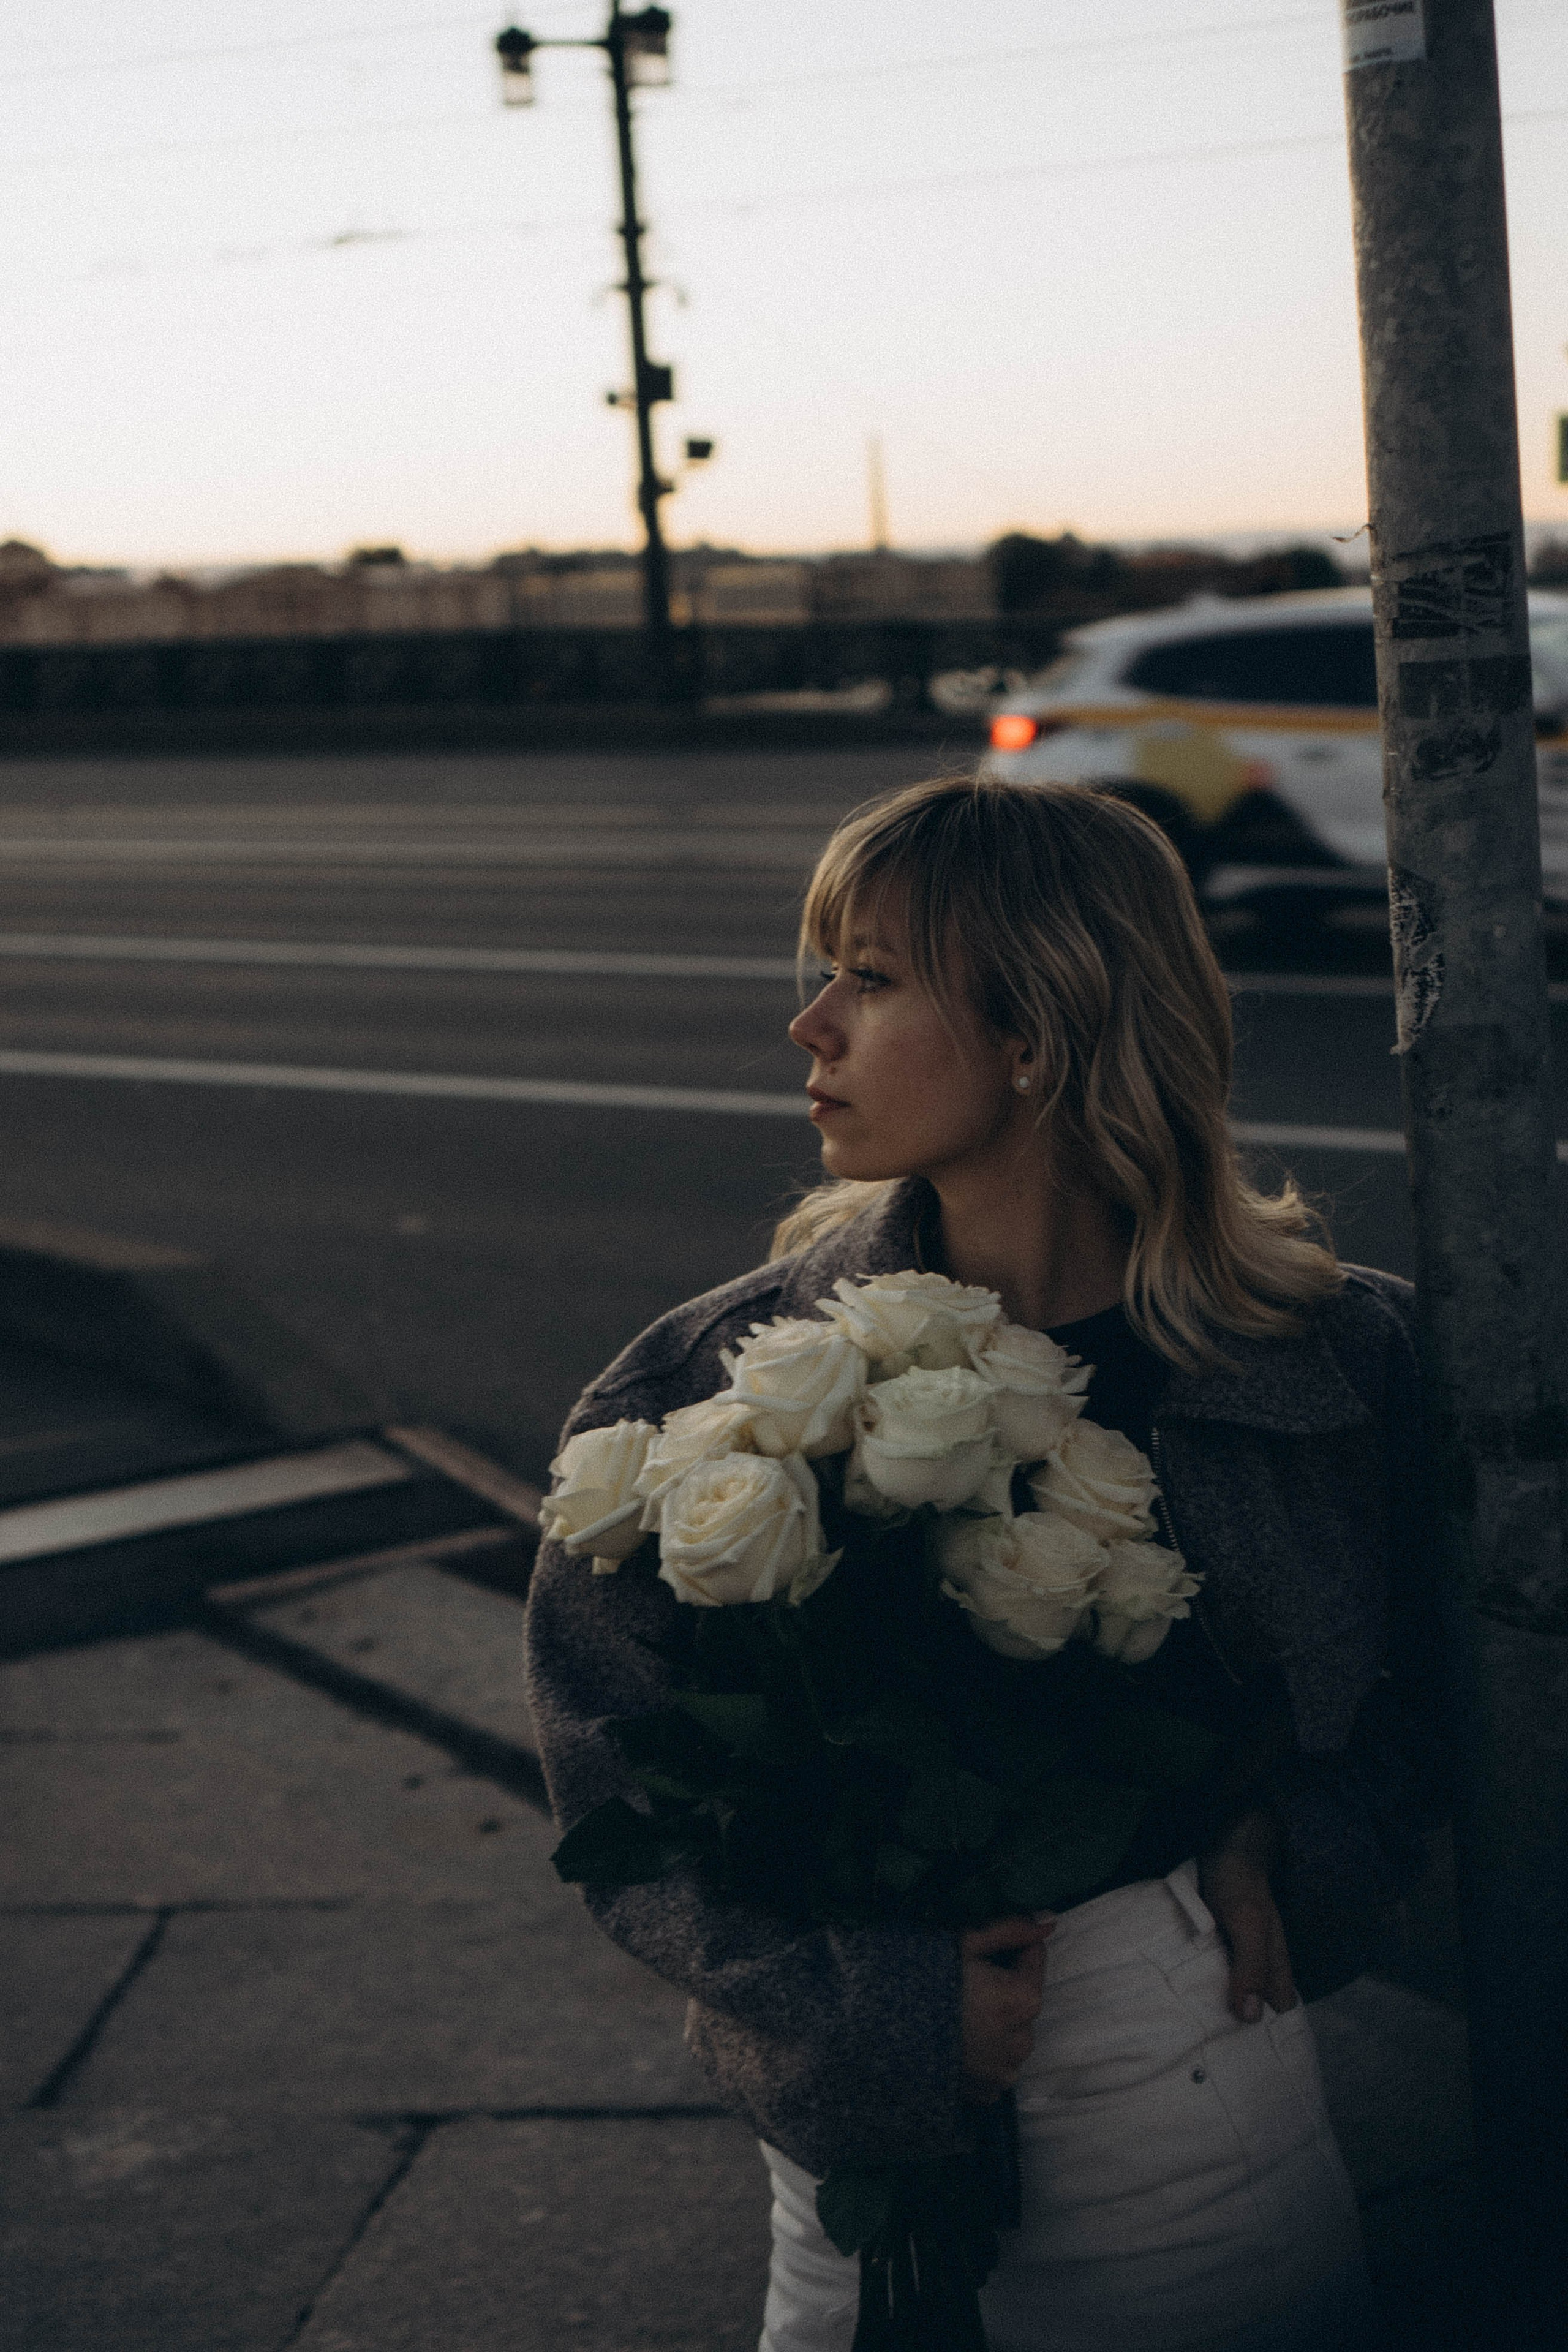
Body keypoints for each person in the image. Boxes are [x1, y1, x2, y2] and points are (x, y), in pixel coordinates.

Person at [524, 775, 1447, 2352]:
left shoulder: (1342, 1361)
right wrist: (874, 2015)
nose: (809, 1024)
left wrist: (1303, 1841)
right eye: (826, 973)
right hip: (843, 2165)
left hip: (1193, 2117)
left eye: (871, 979)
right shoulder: (711, 1385)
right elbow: (618, 1784)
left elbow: (1468, 1676)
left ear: (1039, 1033)